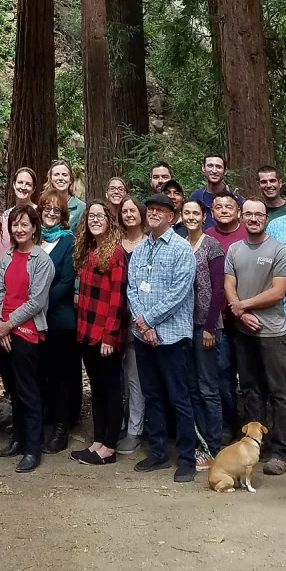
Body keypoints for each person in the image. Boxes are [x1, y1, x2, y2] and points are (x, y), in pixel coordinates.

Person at [127, 193, 198, 481]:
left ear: (172, 217)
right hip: (144, 337)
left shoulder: (182, 249)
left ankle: (186, 458)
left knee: (179, 398)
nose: (154, 213)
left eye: (161, 210)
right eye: (151, 209)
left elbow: (179, 293)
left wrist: (149, 320)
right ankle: (157, 452)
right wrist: (144, 326)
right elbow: (132, 288)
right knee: (152, 394)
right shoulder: (141, 249)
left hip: (172, 336)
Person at [224, 199, 286, 475]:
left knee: (279, 393)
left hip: (272, 333)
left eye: (259, 214)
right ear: (242, 217)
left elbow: (278, 291)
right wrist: (239, 314)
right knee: (250, 390)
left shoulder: (278, 250)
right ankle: (256, 445)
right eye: (249, 214)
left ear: (267, 218)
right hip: (243, 332)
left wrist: (244, 305)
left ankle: (282, 450)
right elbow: (229, 284)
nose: (254, 218)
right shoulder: (235, 249)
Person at [0, 203, 54, 473]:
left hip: (26, 331)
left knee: (28, 390)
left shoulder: (42, 260)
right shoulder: (7, 256)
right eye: (15, 225)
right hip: (3, 332)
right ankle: (18, 438)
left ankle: (33, 447)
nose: (19, 229)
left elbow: (37, 301)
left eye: (24, 225)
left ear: (34, 228)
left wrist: (9, 325)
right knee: (12, 390)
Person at [72, 202, 127, 465]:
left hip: (106, 334)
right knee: (96, 389)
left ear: (109, 220)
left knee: (110, 389)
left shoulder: (115, 253)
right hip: (86, 332)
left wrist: (109, 334)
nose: (95, 220)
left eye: (100, 216)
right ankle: (97, 440)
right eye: (91, 216)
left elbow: (117, 299)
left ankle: (110, 447)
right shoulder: (89, 251)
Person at [181, 199, 224, 465]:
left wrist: (210, 327)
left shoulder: (212, 246)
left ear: (204, 216)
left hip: (206, 326)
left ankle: (214, 445)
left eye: (196, 213)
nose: (191, 217)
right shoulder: (179, 244)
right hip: (183, 326)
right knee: (192, 388)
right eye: (187, 213)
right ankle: (198, 443)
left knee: (209, 388)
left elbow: (218, 289)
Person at [37, 191, 77, 454]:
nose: (51, 213)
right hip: (34, 322)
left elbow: (65, 281)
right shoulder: (33, 239)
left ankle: (62, 428)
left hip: (59, 319)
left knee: (62, 376)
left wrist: (37, 300)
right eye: (47, 209)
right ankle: (42, 421)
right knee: (41, 374)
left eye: (56, 210)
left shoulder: (68, 241)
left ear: (63, 216)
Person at [204, 192, 245, 437]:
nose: (223, 210)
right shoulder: (207, 237)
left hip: (247, 316)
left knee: (250, 376)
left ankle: (255, 424)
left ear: (237, 210)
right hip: (219, 320)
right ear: (212, 213)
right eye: (218, 206)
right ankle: (229, 424)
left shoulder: (247, 234)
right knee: (222, 375)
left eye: (228, 206)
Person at [116, 197, 146, 454]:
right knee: (120, 377)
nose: (128, 215)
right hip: (115, 318)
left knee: (135, 377)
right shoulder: (115, 244)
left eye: (133, 210)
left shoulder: (148, 244)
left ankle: (135, 429)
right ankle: (121, 422)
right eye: (124, 211)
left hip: (140, 319)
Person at [0, 166, 38, 260]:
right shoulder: (5, 215)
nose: (23, 187)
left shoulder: (39, 213)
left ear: (33, 189)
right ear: (14, 184)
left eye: (28, 184)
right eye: (20, 182)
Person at [188, 153, 242, 225]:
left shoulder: (236, 198)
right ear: (203, 168)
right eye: (210, 166)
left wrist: (232, 203)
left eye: (218, 167)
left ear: (225, 171)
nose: (214, 171)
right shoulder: (196, 197)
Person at [46, 158, 85, 229]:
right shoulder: (45, 204)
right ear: (51, 179)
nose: (60, 178)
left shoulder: (81, 207)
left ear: (70, 180)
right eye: (56, 174)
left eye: (64, 175)